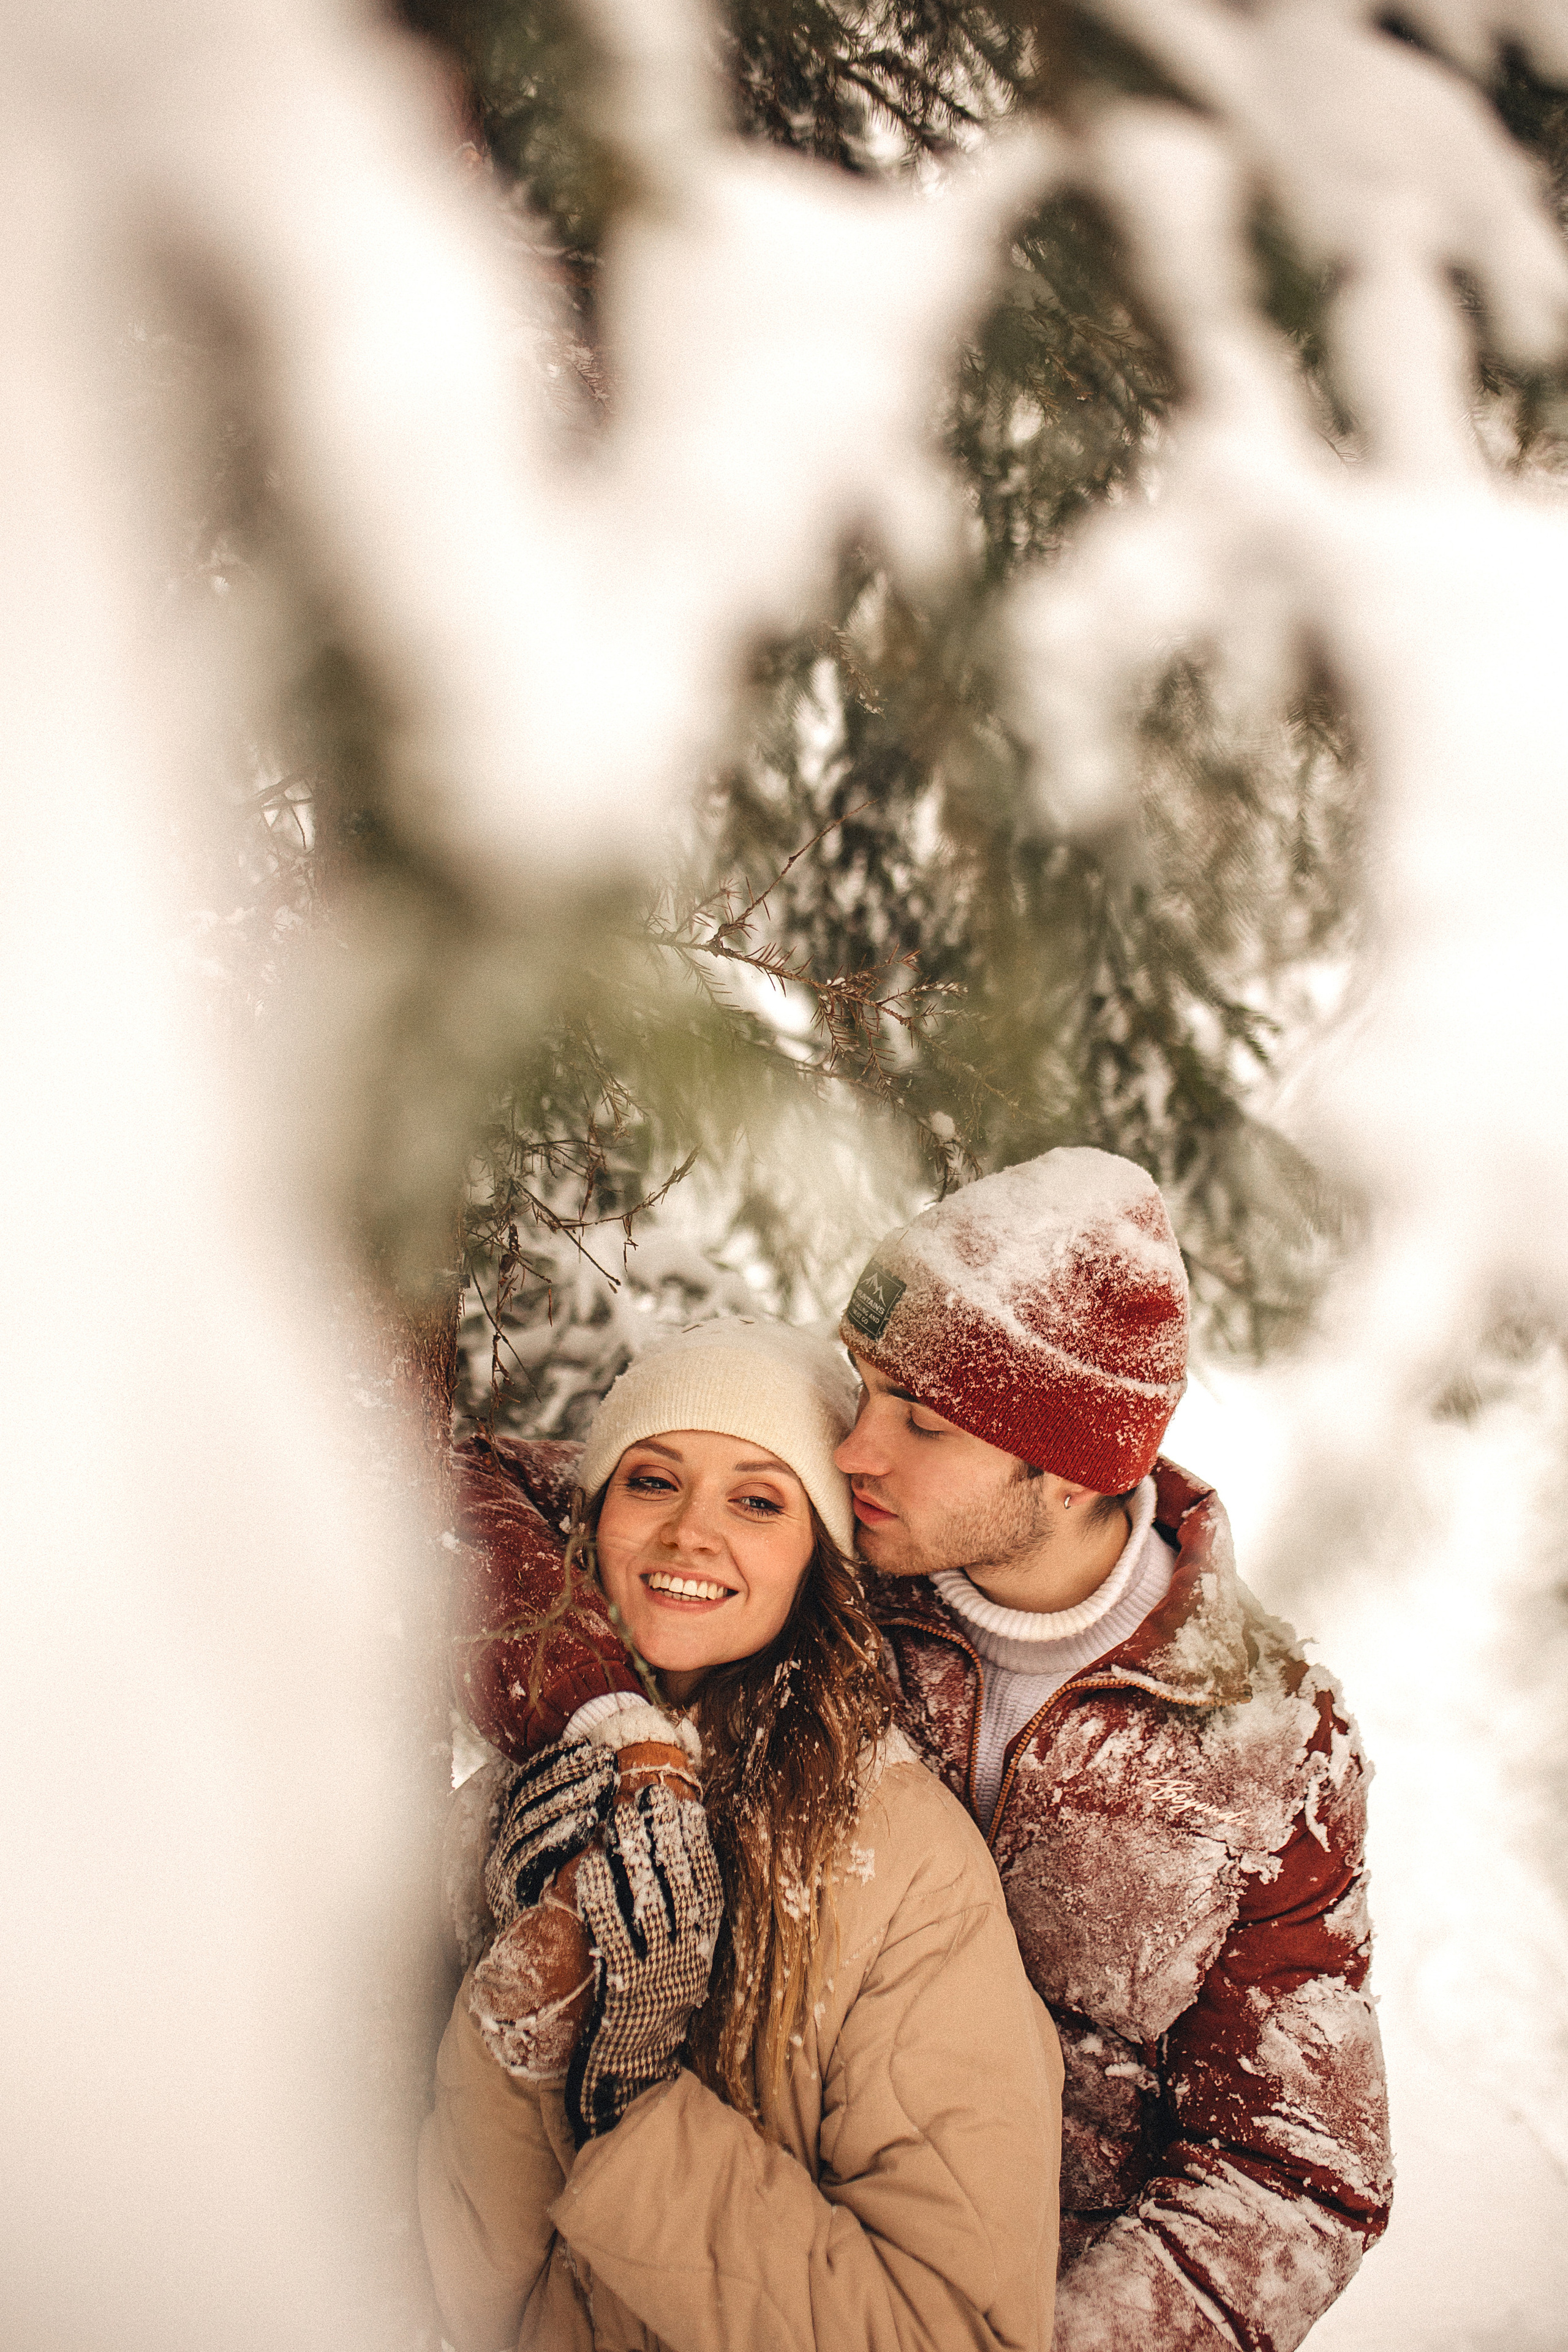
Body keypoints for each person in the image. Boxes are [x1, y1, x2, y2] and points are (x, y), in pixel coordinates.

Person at [833, 1146, 1395, 2352]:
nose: (852, 1451)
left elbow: (1292, 2174)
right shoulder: (812, 1573)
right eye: (859, 1389)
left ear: (1072, 1472)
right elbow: (492, 1493)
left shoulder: (1270, 1745)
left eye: (920, 1422)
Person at [422, 1317, 1064, 2352]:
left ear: (818, 1557)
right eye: (651, 1481)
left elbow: (952, 2333)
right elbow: (437, 2297)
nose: (689, 1534)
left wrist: (633, 2103)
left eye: (759, 1501)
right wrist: (524, 2037)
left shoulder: (903, 1862)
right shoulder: (509, 1809)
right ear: (594, 1514)